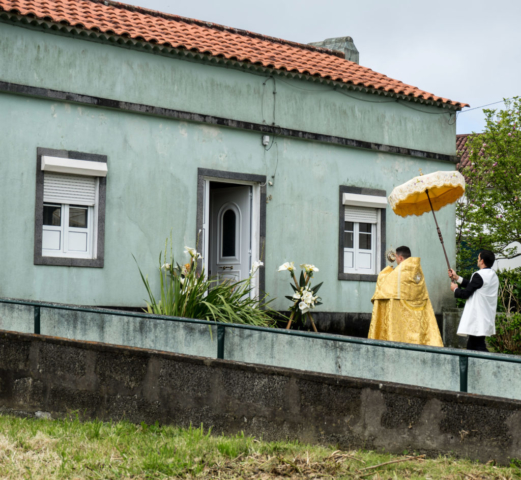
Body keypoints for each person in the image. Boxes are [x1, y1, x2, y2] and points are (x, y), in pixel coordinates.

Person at [368, 246, 443, 347]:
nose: (397, 261)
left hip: (400, 315)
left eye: (397, 258)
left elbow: (384, 283)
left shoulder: (399, 272)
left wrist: (387, 270)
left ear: (400, 258)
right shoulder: (418, 271)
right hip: (418, 316)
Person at [448, 250, 499, 352]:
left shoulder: (479, 275)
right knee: (472, 346)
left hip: (477, 318)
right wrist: (457, 278)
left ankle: (491, 364)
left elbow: (466, 293)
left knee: (479, 347)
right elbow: (473, 285)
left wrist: (455, 289)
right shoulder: (493, 275)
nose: (477, 260)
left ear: (482, 261)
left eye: (478, 258)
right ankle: (471, 367)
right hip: (485, 317)